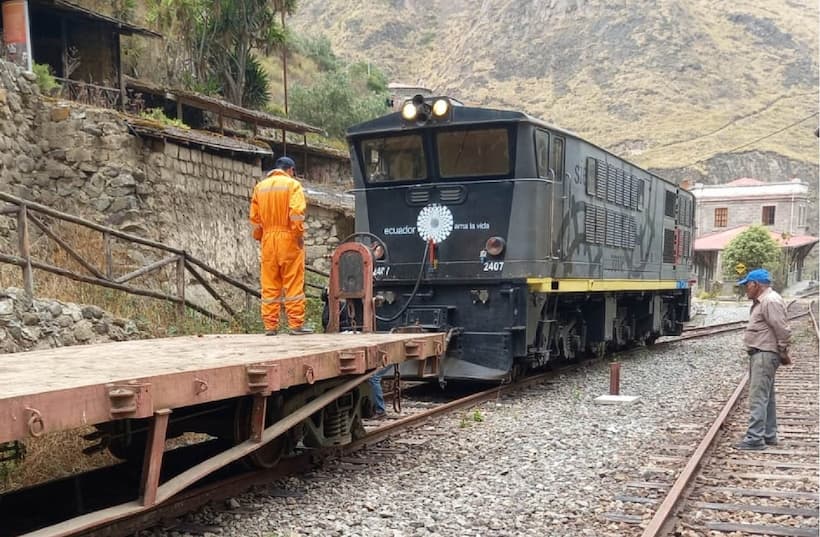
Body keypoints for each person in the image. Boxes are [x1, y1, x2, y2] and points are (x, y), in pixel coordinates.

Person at [249, 156, 313, 336]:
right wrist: (298, 235)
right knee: (292, 282)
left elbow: (255, 220)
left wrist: (261, 236)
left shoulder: (260, 187)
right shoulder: (293, 186)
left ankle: (270, 326)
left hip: (268, 240)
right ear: (291, 170)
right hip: (288, 238)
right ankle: (296, 325)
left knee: (270, 283)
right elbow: (296, 213)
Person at [735, 268, 791, 450]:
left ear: (755, 284)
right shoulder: (765, 300)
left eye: (747, 285)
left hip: (764, 353)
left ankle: (754, 438)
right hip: (762, 352)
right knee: (767, 396)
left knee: (758, 396)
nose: (746, 289)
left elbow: (781, 328)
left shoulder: (769, 301)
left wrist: (782, 350)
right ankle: (768, 434)